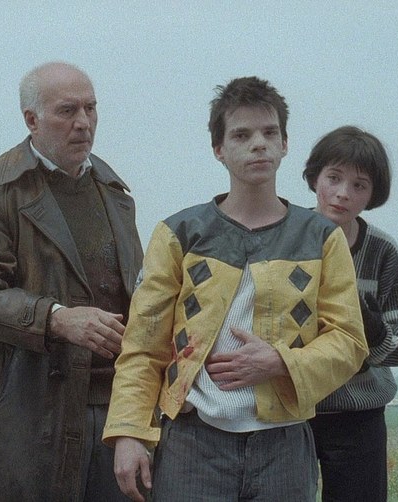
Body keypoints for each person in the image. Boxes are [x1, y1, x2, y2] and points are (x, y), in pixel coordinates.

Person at [103, 76, 369, 502]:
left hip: (284, 446)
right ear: (219, 149)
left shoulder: (321, 238)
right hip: (192, 444)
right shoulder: (180, 233)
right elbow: (144, 345)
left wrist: (281, 361)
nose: (258, 145)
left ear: (285, 144)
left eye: (269, 133)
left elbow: (349, 341)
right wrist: (129, 432)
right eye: (242, 135)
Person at [0, 61, 143, 501]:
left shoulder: (114, 192)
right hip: (31, 415)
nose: (84, 122)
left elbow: (137, 295)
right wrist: (56, 319)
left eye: (91, 108)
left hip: (116, 415)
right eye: (67, 110)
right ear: (31, 120)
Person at [302, 125, 398, 501]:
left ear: (373, 194)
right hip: (287, 412)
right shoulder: (282, 237)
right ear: (315, 178)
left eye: (359, 185)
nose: (343, 193)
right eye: (334, 178)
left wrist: (372, 330)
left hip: (359, 415)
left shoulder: (382, 251)